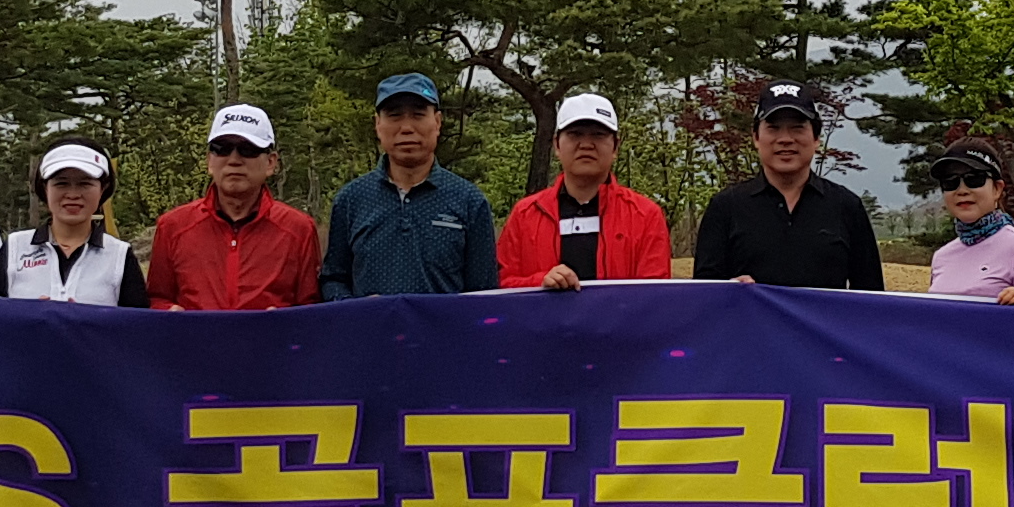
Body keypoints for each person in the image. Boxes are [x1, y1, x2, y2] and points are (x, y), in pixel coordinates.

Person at [690, 82, 889, 289]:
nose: (785, 139)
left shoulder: (846, 207)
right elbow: (704, 293)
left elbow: (871, 296)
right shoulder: (725, 207)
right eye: (773, 128)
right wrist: (730, 289)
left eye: (797, 128)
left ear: (816, 138)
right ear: (756, 137)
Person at [322, 74, 501, 299]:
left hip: (444, 323)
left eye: (418, 115)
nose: (406, 128)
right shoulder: (351, 199)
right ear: (378, 124)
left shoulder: (469, 201)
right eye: (394, 115)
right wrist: (356, 308)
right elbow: (333, 279)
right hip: (370, 323)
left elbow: (484, 293)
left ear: (437, 122)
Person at [147, 102, 322, 311]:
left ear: (271, 163)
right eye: (222, 149)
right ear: (209, 161)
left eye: (248, 150)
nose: (234, 160)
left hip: (271, 335)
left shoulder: (299, 229)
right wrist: (168, 311)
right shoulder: (173, 226)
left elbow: (311, 308)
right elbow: (156, 298)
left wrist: (286, 321)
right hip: (195, 334)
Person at [499, 93, 674, 291]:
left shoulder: (645, 216)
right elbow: (500, 287)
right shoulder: (525, 214)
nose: (586, 144)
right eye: (575, 134)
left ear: (616, 146)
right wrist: (540, 283)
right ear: (557, 145)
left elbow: (655, 294)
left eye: (598, 135)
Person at [0, 139, 149, 305]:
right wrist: (30, 314)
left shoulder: (119, 255)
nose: (73, 194)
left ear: (103, 189)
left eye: (85, 184)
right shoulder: (15, 247)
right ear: (45, 188)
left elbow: (136, 319)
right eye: (61, 183)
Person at [919, 143, 1014, 304]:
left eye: (974, 179)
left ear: (997, 189)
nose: (962, 190)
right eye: (950, 182)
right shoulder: (941, 257)